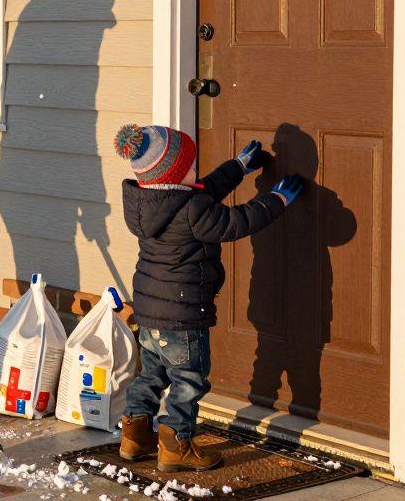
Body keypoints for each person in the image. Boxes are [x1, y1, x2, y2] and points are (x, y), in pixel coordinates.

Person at [112, 124, 303, 471]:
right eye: (189, 165)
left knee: (152, 374)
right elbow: (236, 221)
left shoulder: (148, 201)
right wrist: (275, 201)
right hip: (183, 316)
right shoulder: (192, 209)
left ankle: (134, 436)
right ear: (175, 172)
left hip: (150, 311)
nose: (194, 171)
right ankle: (175, 446)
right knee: (188, 379)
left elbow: (205, 189)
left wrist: (238, 167)